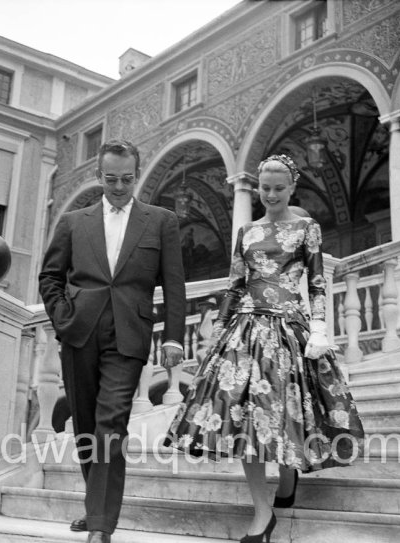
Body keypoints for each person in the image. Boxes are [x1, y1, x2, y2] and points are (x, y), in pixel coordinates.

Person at [164, 154, 364, 543]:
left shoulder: (307, 228)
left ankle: (287, 479)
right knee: (247, 418)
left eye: (278, 188)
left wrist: (320, 328)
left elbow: (318, 282)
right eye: (265, 188)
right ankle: (262, 512)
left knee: (287, 409)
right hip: (245, 328)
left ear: (291, 188)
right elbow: (236, 285)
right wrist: (218, 332)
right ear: (257, 188)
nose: (270, 195)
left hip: (291, 327)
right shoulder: (247, 232)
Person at [39, 139, 186, 543]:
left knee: (111, 424)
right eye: (110, 179)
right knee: (85, 425)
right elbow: (50, 277)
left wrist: (173, 337)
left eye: (126, 179)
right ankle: (96, 505)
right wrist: (63, 317)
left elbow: (174, 284)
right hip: (79, 333)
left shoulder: (161, 221)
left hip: (129, 334)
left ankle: (101, 526)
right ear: (98, 176)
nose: (119, 186)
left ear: (136, 175)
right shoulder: (74, 222)